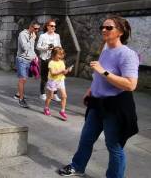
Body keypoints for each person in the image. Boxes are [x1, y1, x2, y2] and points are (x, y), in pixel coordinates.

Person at [59, 15, 139, 177]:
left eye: (109, 27)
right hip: (97, 103)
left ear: (120, 32)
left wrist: (104, 71)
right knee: (86, 138)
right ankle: (78, 166)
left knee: (114, 147)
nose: (104, 30)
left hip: (115, 107)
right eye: (102, 27)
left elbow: (131, 85)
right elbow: (99, 76)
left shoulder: (127, 55)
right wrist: (91, 90)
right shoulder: (106, 49)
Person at [14, 20, 40, 108]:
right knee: (22, 79)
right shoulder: (23, 34)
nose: (37, 30)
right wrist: (32, 39)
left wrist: (35, 56)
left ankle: (18, 94)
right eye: (35, 28)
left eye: (38, 29)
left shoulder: (32, 35)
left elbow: (31, 49)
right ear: (31, 26)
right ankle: (21, 99)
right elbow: (25, 48)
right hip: (22, 59)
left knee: (24, 79)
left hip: (29, 60)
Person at [43, 47, 73, 120]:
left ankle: (62, 111)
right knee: (50, 96)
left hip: (60, 80)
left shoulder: (62, 62)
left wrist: (67, 71)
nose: (61, 56)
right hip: (52, 81)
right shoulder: (51, 63)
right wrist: (62, 71)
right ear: (54, 54)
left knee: (64, 96)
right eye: (59, 54)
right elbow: (53, 73)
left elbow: (63, 72)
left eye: (62, 54)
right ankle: (46, 108)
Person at [36, 19, 62, 102]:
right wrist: (47, 47)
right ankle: (43, 93)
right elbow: (38, 47)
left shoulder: (57, 36)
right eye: (51, 26)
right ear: (47, 26)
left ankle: (54, 94)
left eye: (54, 26)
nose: (53, 27)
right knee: (44, 77)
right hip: (45, 58)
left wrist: (57, 49)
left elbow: (60, 46)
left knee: (55, 76)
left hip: (54, 59)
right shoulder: (43, 36)